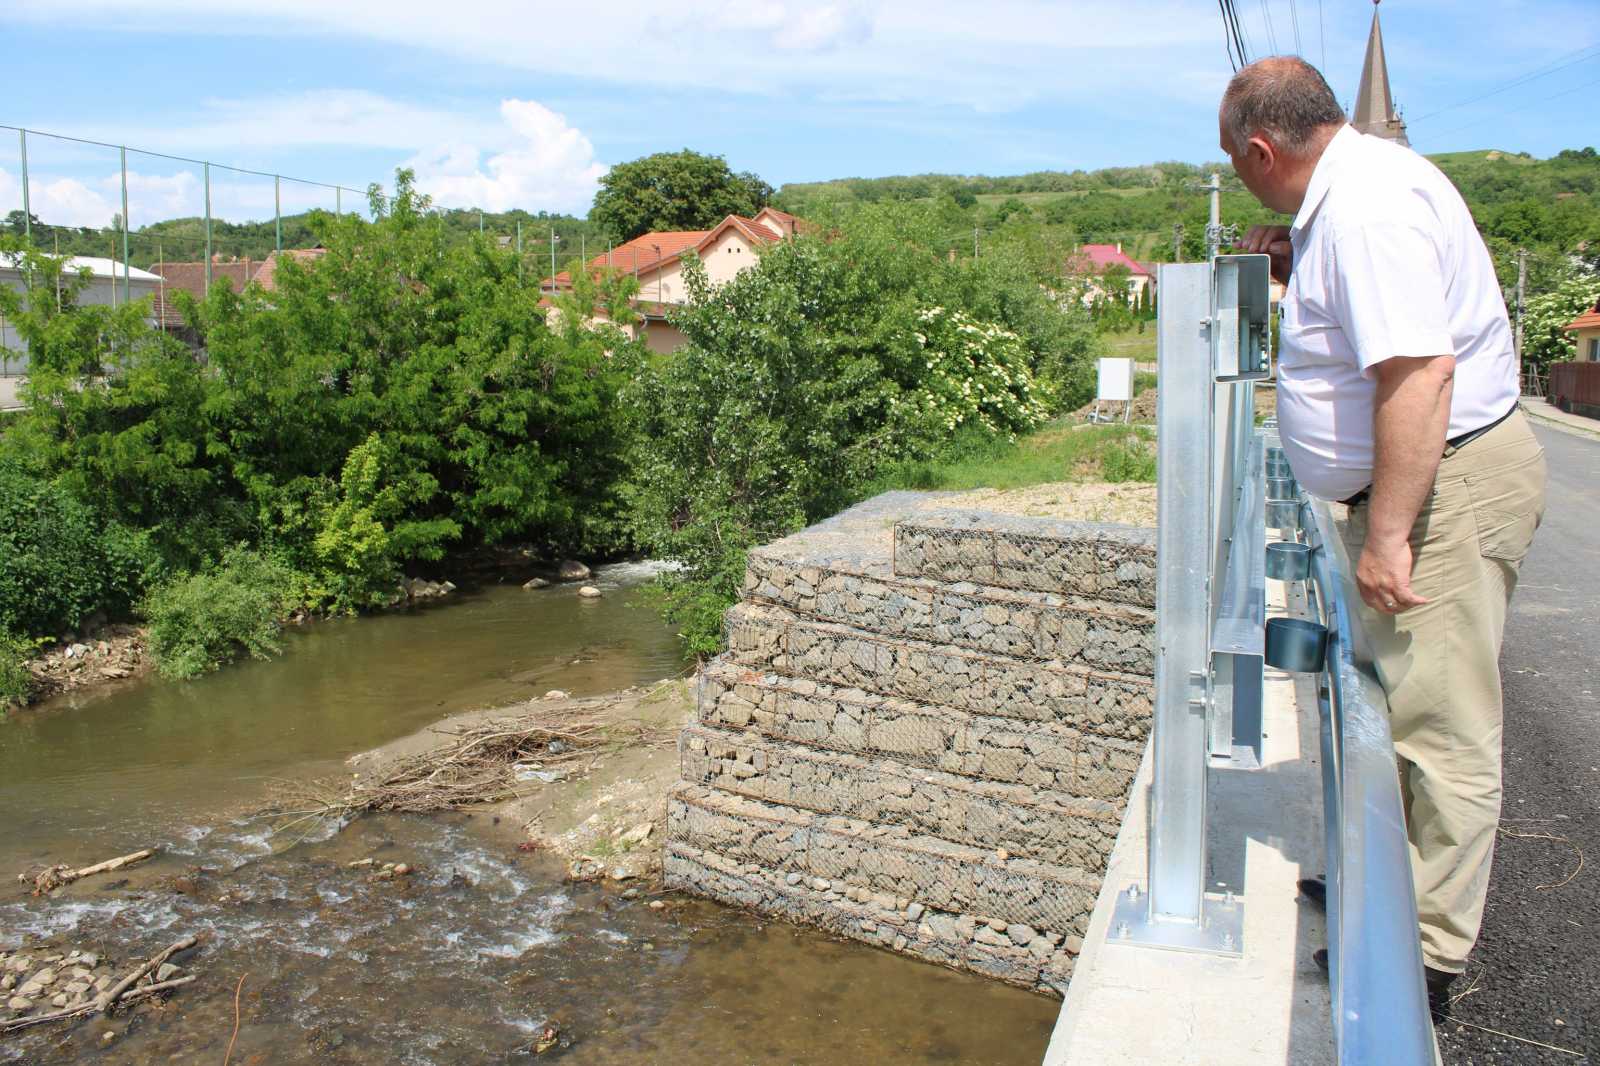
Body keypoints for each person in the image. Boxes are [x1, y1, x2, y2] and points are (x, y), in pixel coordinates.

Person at [1218, 57, 1547, 1019]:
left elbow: (1419, 377)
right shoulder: (1348, 203)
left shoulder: (1365, 213)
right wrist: (1294, 266)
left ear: (1261, 149)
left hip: (1441, 494)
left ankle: (1425, 960)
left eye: (1233, 162)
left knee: (1442, 728)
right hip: (1417, 491)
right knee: (1394, 719)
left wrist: (1391, 534)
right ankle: (1390, 891)